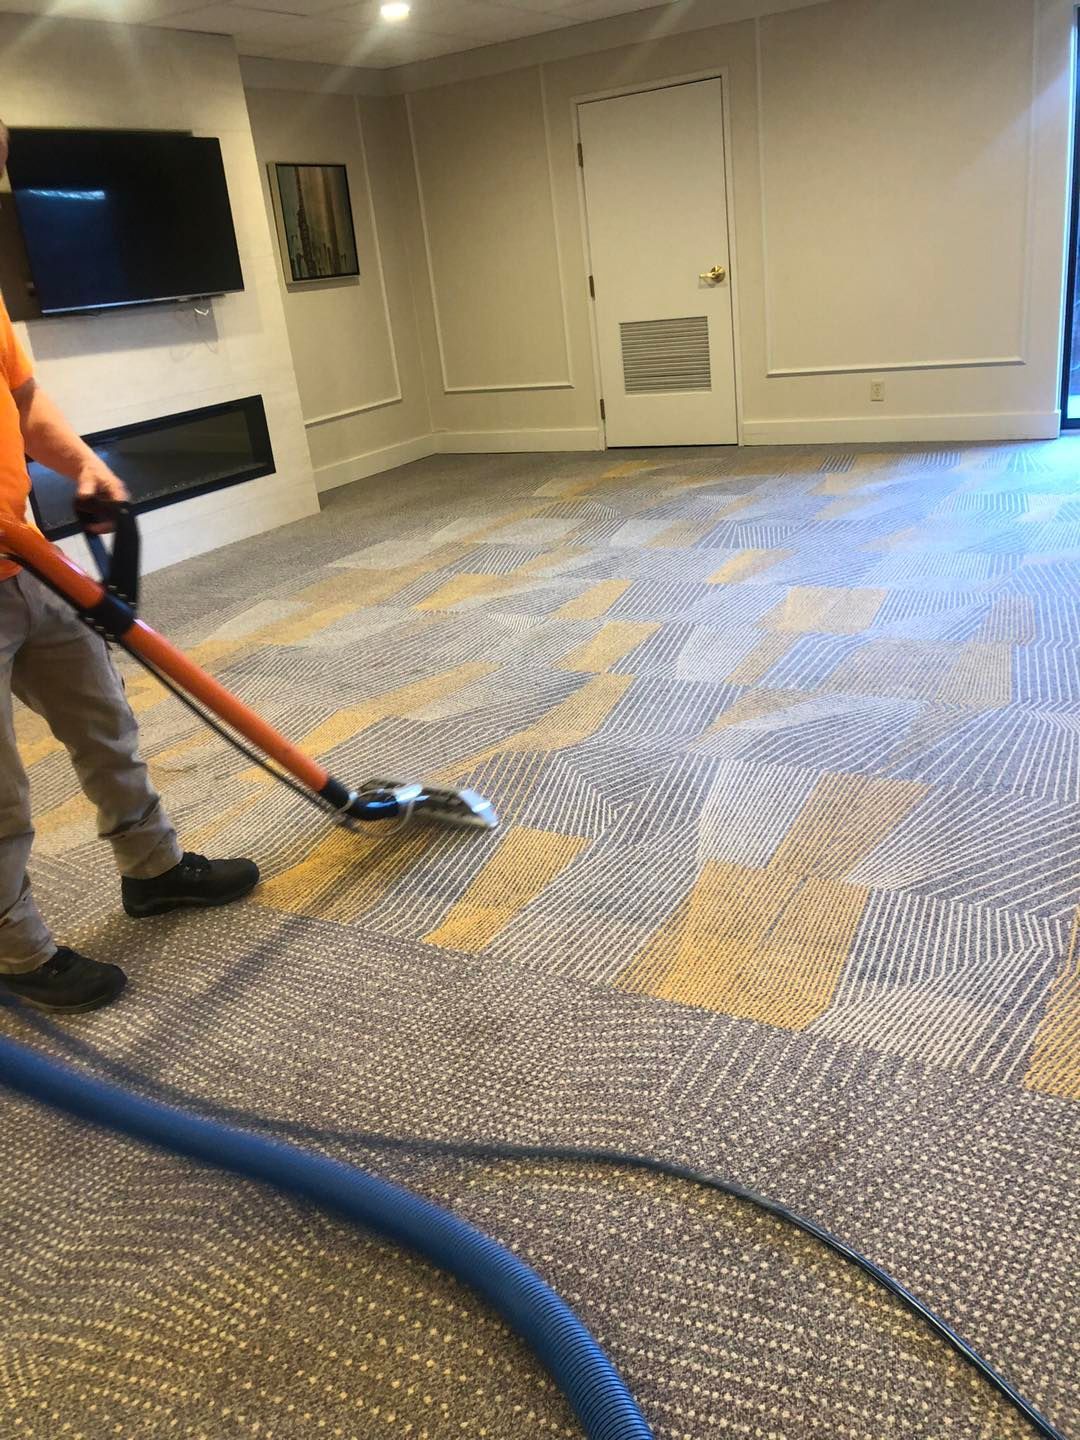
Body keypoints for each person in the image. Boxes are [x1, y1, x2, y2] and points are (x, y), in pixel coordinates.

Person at [0, 120, 258, 1013]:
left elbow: (24, 402)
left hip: (24, 560)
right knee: (0, 792)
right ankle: (16, 952)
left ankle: (153, 870)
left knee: (103, 718)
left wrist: (81, 464)